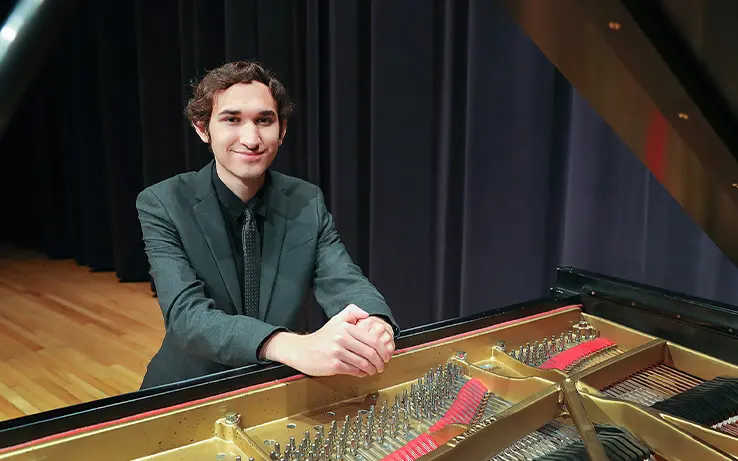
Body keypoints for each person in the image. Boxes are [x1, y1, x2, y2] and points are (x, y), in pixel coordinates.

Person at [136, 61, 399, 389]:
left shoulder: (306, 200)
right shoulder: (163, 202)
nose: (251, 139)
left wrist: (374, 320)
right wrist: (290, 345)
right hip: (191, 389)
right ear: (202, 128)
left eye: (264, 121)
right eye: (232, 119)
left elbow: (343, 278)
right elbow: (187, 318)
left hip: (278, 388)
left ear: (282, 129)